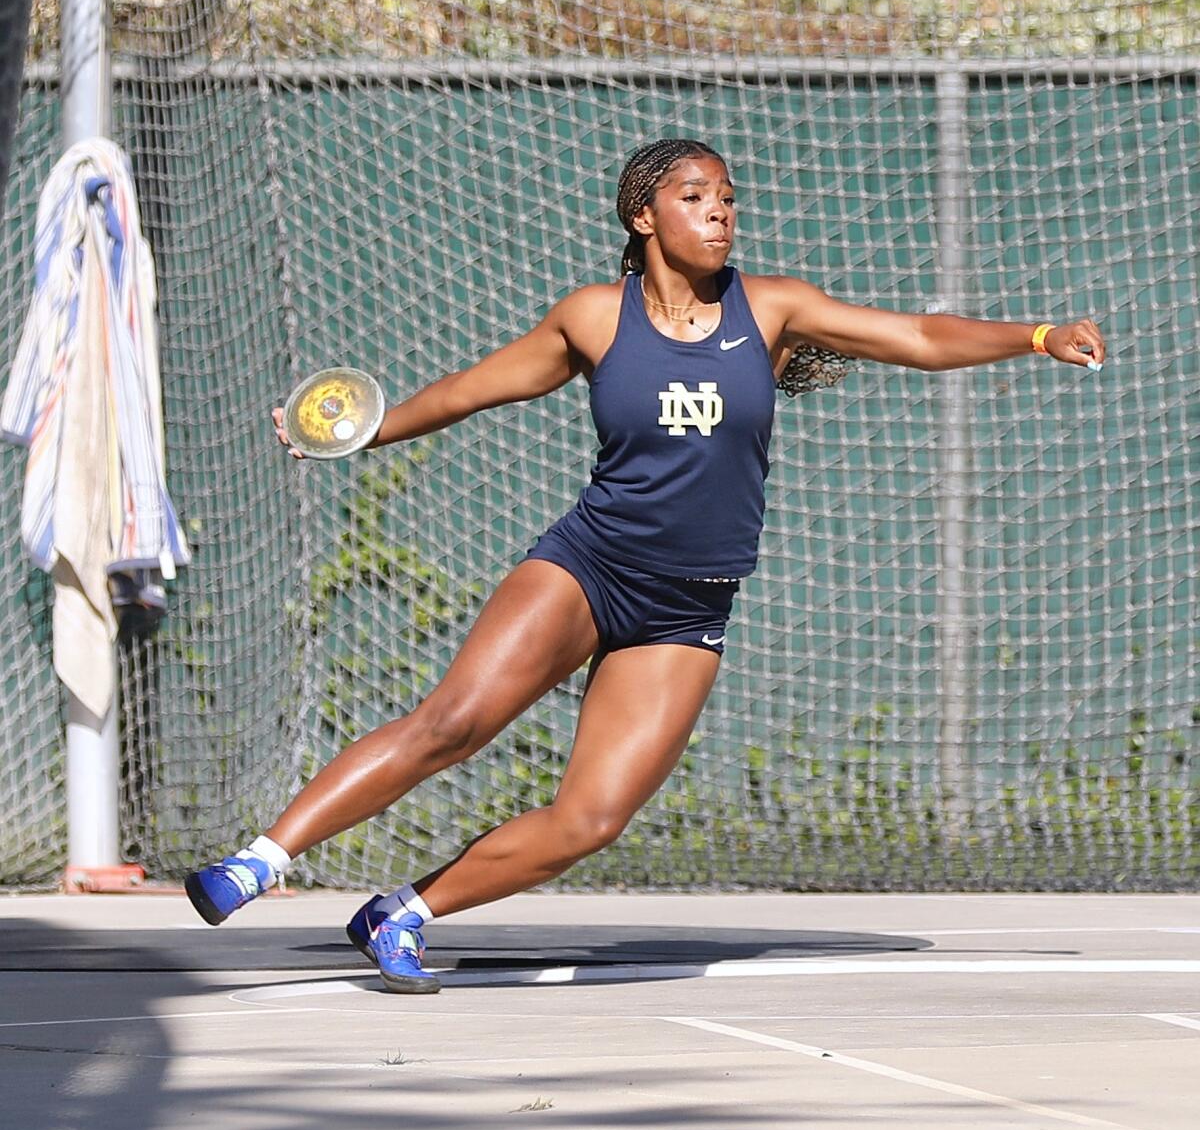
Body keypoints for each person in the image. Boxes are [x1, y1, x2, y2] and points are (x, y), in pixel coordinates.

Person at [185, 138, 1106, 993]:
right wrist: (361, 429)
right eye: (694, 195)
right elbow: (471, 390)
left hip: (687, 604)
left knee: (588, 821)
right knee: (451, 724)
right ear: (643, 214)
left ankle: (404, 912)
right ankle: (257, 862)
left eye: (728, 200)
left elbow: (918, 336)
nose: (720, 213)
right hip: (590, 567)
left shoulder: (773, 308)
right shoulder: (594, 317)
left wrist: (1034, 335)